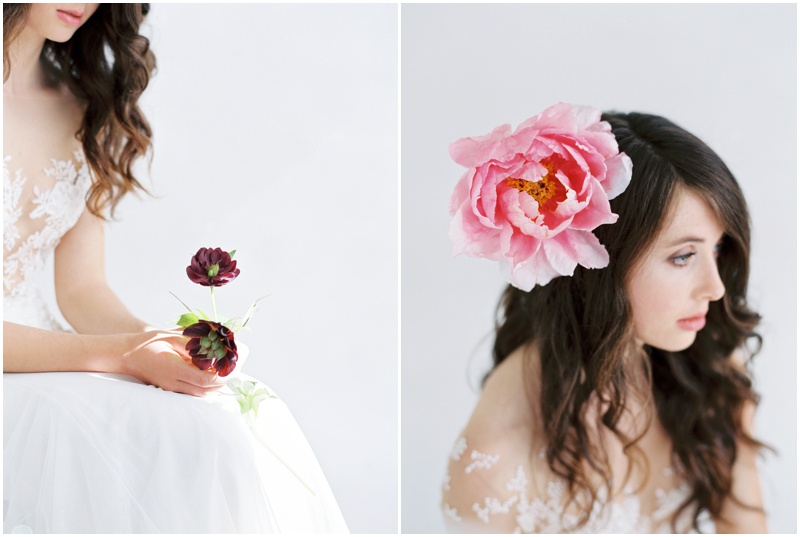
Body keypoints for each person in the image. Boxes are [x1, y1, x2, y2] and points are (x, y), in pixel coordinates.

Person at [3, 4, 348, 532]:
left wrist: (165, 342)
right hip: (23, 369)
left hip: (51, 348)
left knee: (228, 421)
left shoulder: (81, 106)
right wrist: (121, 356)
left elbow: (81, 289)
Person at [441, 104, 767, 533]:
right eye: (684, 256)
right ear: (598, 263)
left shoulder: (712, 381)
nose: (716, 287)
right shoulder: (493, 463)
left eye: (718, 249)